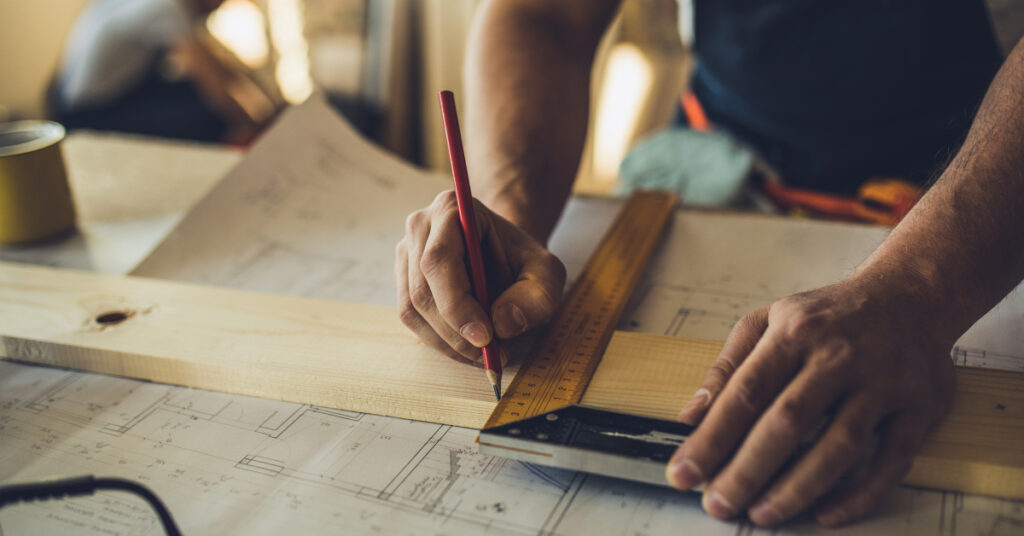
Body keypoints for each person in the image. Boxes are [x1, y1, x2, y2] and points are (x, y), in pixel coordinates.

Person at [395, 0, 1024, 527]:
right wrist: (507, 218)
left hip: (981, 198)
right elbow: (548, 15)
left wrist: (918, 285)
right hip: (721, 155)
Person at [51, 0, 273, 143]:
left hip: (65, 95)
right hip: (88, 115)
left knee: (184, 86)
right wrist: (264, 131)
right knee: (207, 115)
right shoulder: (167, 8)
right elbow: (215, 87)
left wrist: (265, 109)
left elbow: (218, 66)